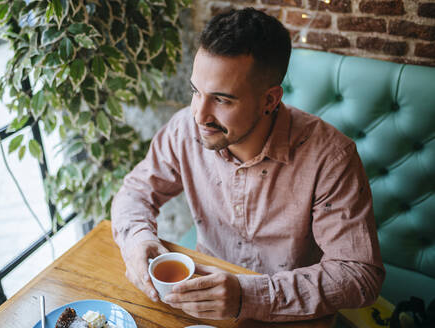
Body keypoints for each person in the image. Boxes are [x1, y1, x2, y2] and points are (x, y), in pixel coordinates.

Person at [111, 7, 385, 322]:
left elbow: (360, 276)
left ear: (270, 100)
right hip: (201, 308)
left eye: (222, 100)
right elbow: (135, 191)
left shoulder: (331, 158)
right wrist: (137, 240)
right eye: (196, 92)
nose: (200, 116)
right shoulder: (184, 129)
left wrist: (248, 295)